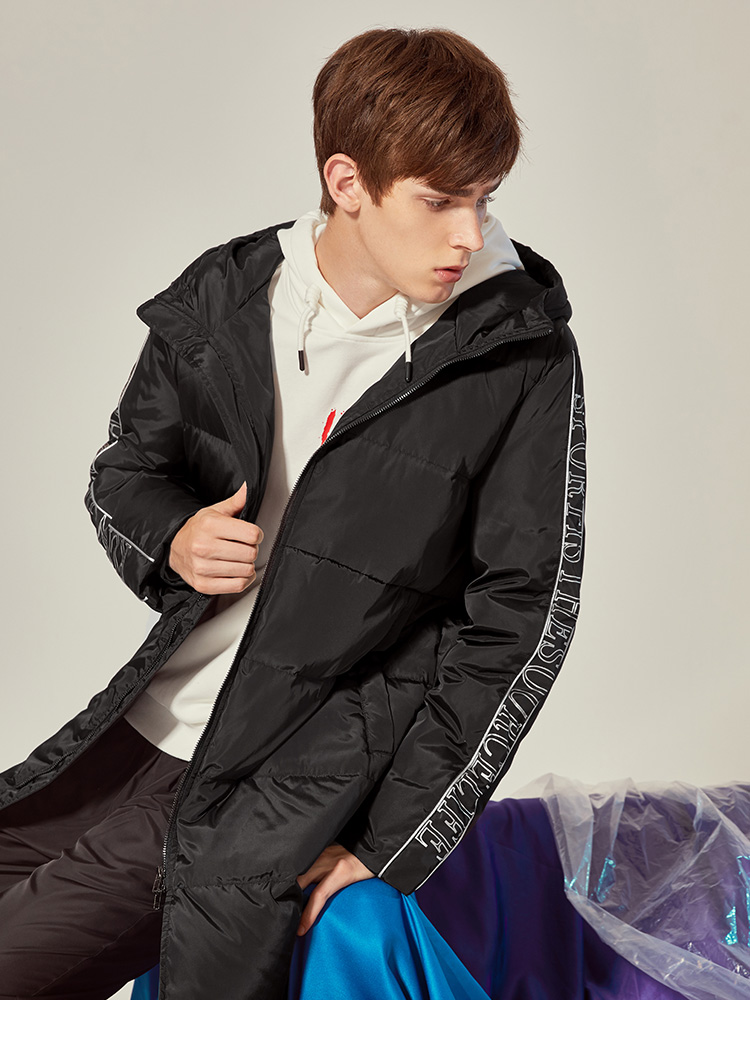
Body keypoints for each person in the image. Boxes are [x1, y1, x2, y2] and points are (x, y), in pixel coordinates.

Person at [0, 26, 587, 999]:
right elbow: (124, 469)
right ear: (347, 182)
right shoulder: (230, 293)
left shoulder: (515, 348)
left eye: (484, 199)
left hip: (275, 768)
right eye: (439, 201)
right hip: (139, 727)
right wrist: (176, 536)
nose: (469, 235)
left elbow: (522, 615)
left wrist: (393, 838)